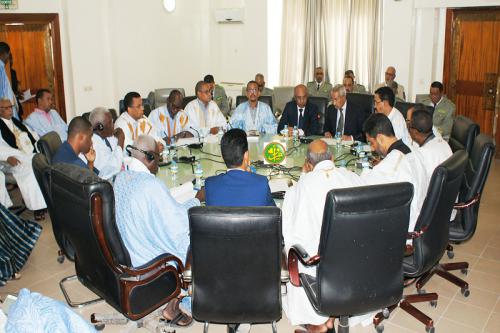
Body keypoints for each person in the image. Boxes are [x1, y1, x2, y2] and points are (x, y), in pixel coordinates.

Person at [114, 135, 200, 325]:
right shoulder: (151, 185)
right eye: (158, 158)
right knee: (192, 240)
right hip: (145, 265)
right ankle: (173, 306)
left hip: (122, 255)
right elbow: (177, 225)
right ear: (150, 157)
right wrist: (196, 200)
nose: (159, 163)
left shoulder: (121, 176)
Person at [282, 139, 362, 331]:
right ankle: (333, 314)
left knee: (298, 244)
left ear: (308, 165)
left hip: (317, 265)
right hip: (354, 261)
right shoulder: (351, 177)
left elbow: (289, 233)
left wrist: (303, 176)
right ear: (332, 158)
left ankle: (317, 321)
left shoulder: (300, 188)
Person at [360, 113, 428, 237]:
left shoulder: (389, 166)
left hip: (406, 230)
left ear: (380, 138)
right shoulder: (413, 151)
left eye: (371, 142)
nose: (373, 149)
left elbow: (362, 188)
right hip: (423, 222)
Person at [0, 98, 47, 220]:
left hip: (25, 154)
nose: (10, 110)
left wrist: (37, 145)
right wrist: (6, 157)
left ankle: (44, 201)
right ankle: (37, 207)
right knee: (30, 170)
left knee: (42, 164)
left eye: (11, 107)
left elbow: (32, 135)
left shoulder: (16, 121)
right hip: (8, 160)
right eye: (6, 108)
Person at [203, 129, 275, 206]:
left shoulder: (210, 184)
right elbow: (274, 213)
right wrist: (253, 176)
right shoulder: (261, 183)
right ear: (246, 155)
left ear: (222, 156)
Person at [407, 107, 452, 176]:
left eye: (409, 126)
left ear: (415, 132)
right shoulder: (444, 143)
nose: (408, 129)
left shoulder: (422, 154)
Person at [88, 107, 124, 180]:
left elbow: (115, 153)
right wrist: (121, 140)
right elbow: (111, 170)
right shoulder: (93, 145)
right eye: (110, 122)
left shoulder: (106, 136)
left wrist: (117, 139)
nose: (113, 125)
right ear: (100, 127)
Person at [0, 42, 19, 120]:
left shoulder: (2, 67)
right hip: (5, 111)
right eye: (8, 54)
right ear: (5, 54)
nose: (8, 57)